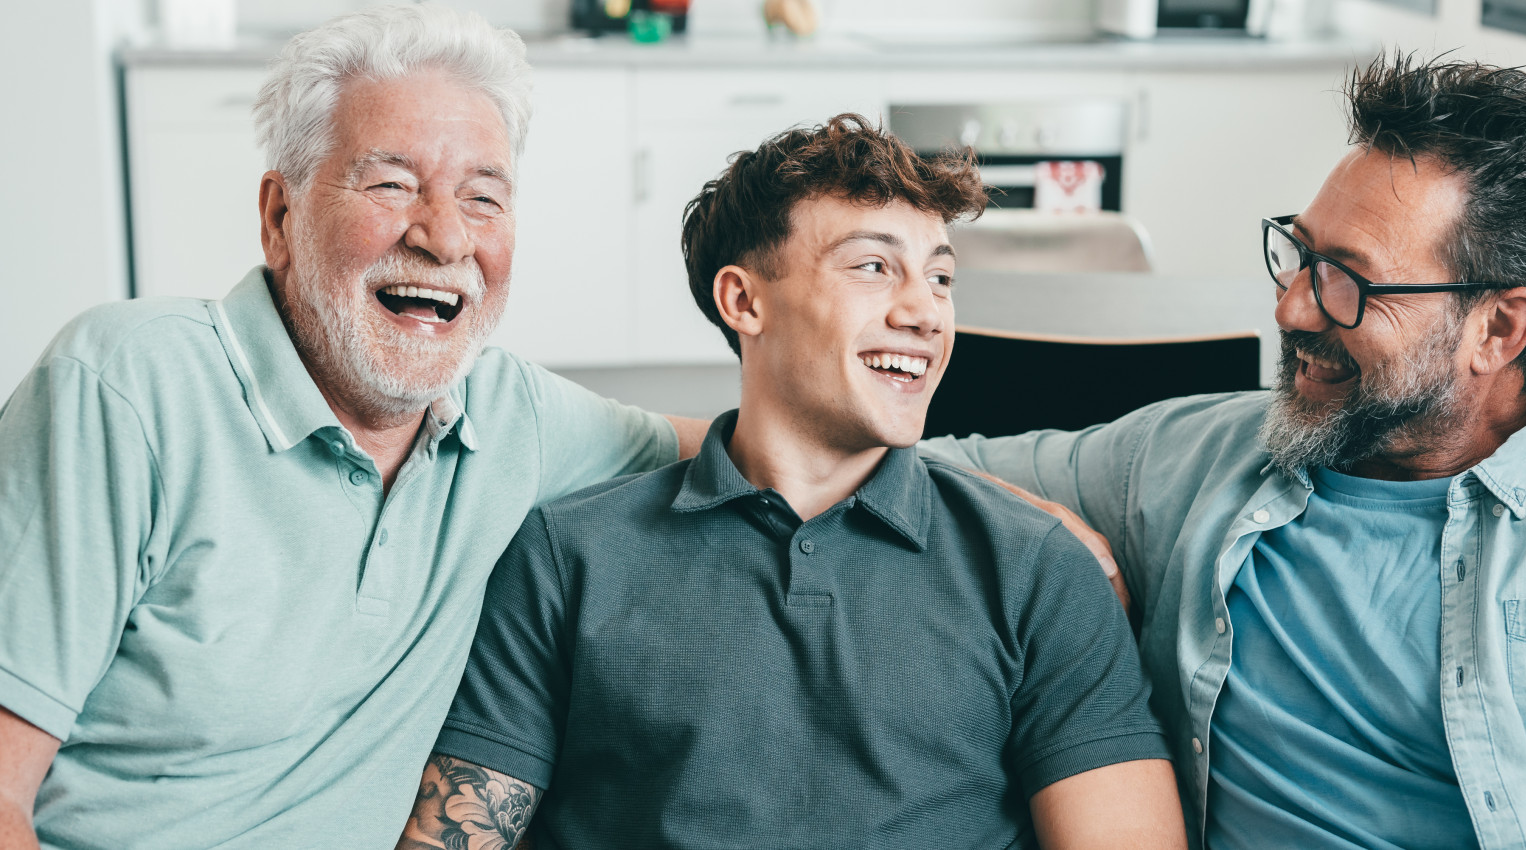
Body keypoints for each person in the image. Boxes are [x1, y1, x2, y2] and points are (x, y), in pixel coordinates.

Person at [0, 6, 709, 848]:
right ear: (279, 218)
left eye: (483, 197)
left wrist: (902, 432)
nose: (444, 235)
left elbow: (747, 449)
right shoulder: (125, 389)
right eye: (391, 184)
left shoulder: (512, 416)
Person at [396, 114, 1188, 850]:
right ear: (743, 300)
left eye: (940, 278)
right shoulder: (566, 557)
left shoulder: (1037, 569)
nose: (927, 312)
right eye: (875, 267)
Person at [921, 52, 1526, 848]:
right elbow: (911, 467)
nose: (1292, 306)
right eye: (1299, 255)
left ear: (1498, 329)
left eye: (1347, 282)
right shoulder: (1192, 458)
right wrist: (1033, 522)